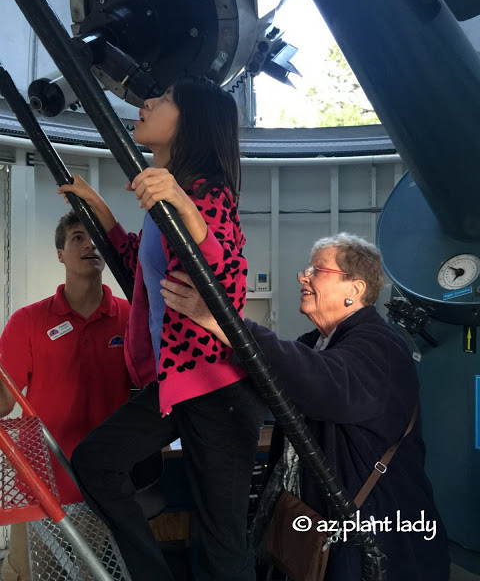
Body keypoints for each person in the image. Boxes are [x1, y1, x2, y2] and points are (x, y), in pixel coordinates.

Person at [61, 76, 263, 581]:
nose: (147, 102)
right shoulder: (164, 203)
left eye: (166, 98)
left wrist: (189, 211)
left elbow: (227, 283)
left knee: (220, 543)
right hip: (173, 383)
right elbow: (139, 273)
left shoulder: (204, 194)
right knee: (96, 462)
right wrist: (101, 211)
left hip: (219, 389)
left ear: (190, 122)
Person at [159, 232, 451, 581]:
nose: (303, 276)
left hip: (383, 534)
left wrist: (224, 321)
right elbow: (274, 375)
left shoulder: (380, 345)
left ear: (354, 289)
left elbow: (321, 383)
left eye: (317, 269)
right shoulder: (316, 342)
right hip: (334, 527)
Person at [0, 211, 132, 581]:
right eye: (77, 237)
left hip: (103, 487)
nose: (89, 244)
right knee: (29, 574)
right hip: (43, 486)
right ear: (60, 253)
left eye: (94, 238)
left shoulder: (129, 317)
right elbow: (4, 400)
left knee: (96, 576)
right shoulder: (27, 321)